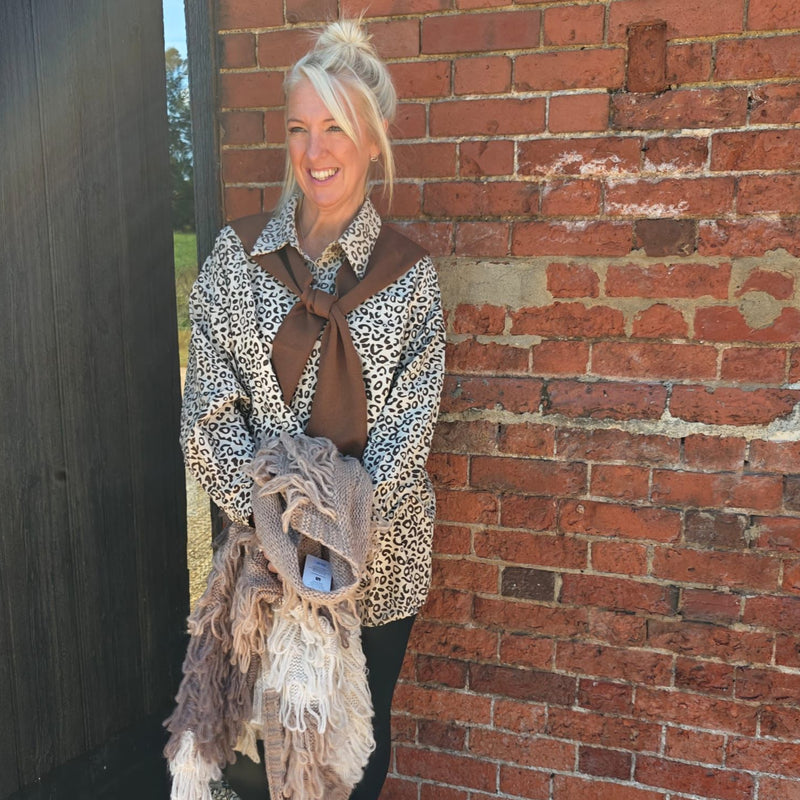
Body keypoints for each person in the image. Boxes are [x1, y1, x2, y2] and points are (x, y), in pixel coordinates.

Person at [178, 18, 445, 800]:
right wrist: (282, 538)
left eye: (336, 127)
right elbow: (206, 422)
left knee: (352, 754)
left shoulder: (409, 277)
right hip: (263, 569)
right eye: (299, 128)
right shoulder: (236, 260)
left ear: (373, 140)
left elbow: (404, 442)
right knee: (270, 749)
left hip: (378, 568)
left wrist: (332, 547)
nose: (315, 151)